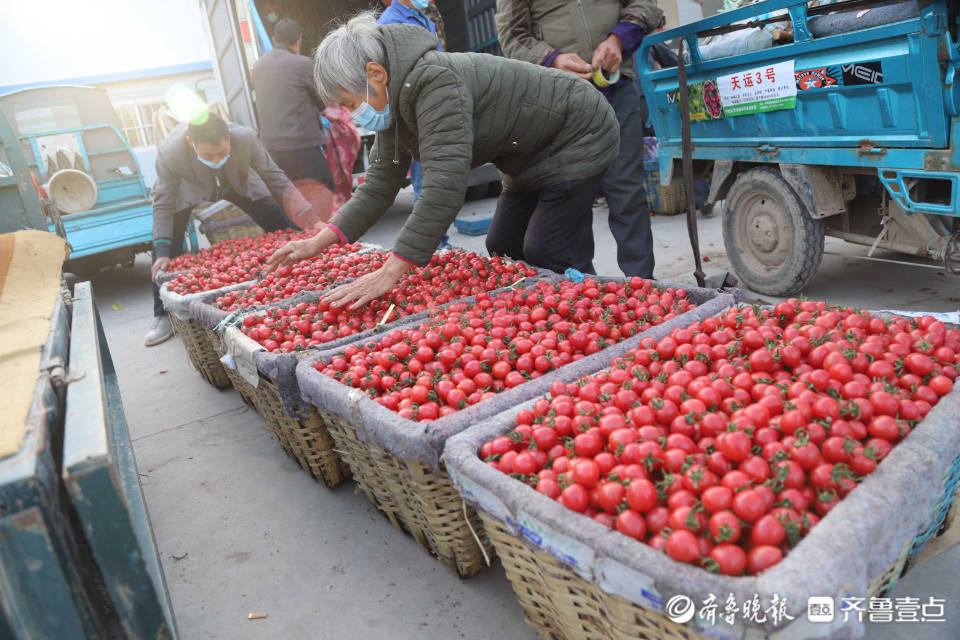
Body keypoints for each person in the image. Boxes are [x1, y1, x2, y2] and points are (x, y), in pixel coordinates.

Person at [267, 14, 619, 309]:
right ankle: (540, 309)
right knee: (502, 244)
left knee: (548, 249)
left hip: (575, 133)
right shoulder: (393, 102)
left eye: (348, 101)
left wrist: (389, 273)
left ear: (376, 74)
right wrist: (319, 241)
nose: (349, 114)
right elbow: (379, 184)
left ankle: (592, 309)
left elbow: (443, 184)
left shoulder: (435, 82)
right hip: (526, 154)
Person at [496, 0, 665, 278]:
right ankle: (586, 293)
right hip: (559, 99)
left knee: (626, 191)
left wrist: (618, 39)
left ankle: (643, 285)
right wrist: (552, 59)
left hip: (614, 88)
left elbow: (644, 4)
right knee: (572, 195)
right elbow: (512, 36)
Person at [145, 111, 306, 346]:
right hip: (189, 189)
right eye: (207, 154)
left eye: (222, 152)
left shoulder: (246, 138)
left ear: (229, 136)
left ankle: (300, 274)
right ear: (191, 143)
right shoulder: (172, 153)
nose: (215, 159)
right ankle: (161, 315)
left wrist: (307, 216)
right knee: (166, 251)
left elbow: (275, 178)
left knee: (277, 218)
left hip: (236, 181)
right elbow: (163, 203)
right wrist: (161, 252)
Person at [252, 19, 336, 195]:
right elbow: (323, 99)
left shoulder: (258, 66)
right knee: (325, 189)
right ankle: (328, 223)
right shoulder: (302, 64)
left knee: (291, 197)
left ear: (274, 40)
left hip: (272, 147)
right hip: (301, 145)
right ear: (299, 40)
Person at [376, 0, 442, 205]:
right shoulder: (390, 22)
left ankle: (441, 238)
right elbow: (395, 74)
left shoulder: (422, 17)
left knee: (441, 181)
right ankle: (433, 238)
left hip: (437, 105)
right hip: (417, 112)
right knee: (427, 185)